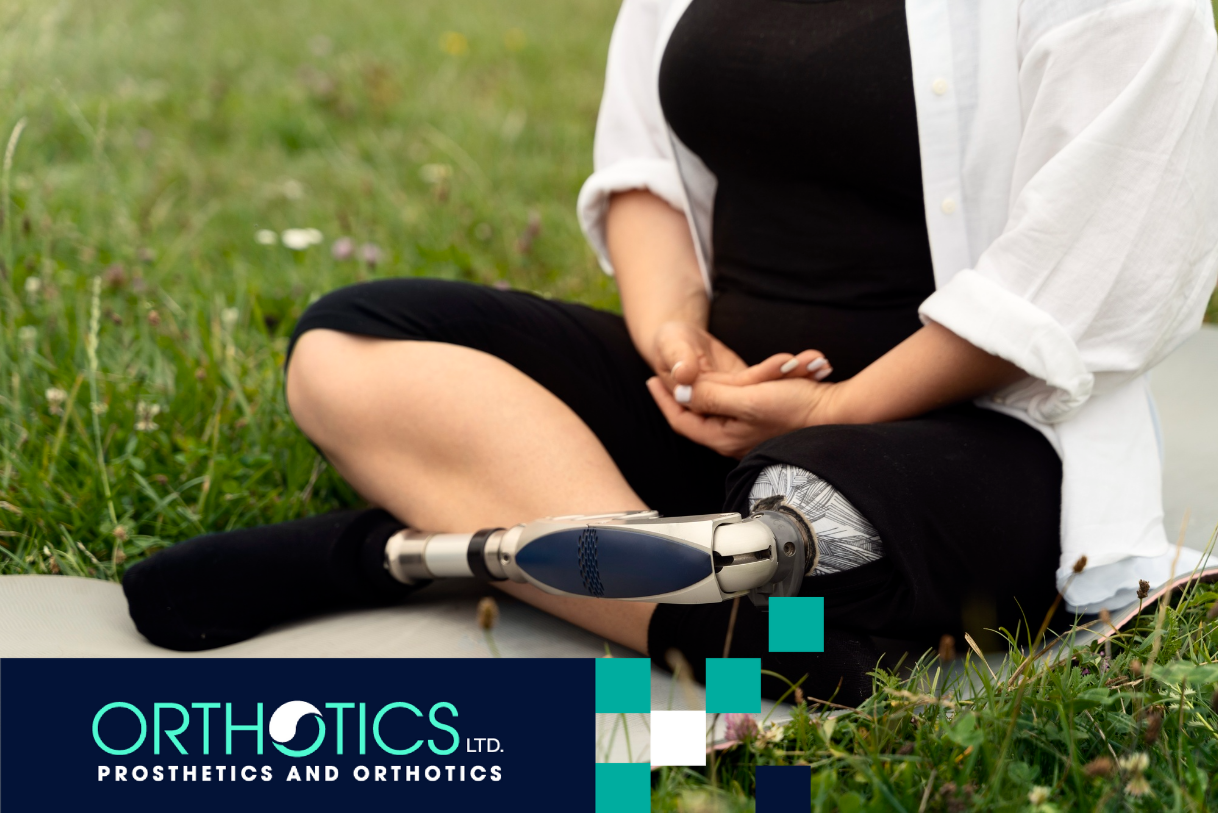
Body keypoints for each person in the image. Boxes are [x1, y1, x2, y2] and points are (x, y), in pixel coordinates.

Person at [123, 0, 1218, 705]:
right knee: (349, 344)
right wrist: (674, 342)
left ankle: (400, 549)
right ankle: (704, 598)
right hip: (707, 411)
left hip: (964, 435)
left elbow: (1086, 256)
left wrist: (834, 410)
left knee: (815, 515)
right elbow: (644, 163)